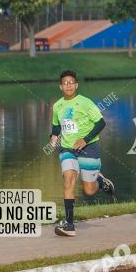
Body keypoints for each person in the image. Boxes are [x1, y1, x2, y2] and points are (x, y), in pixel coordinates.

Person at [49, 70, 115, 237]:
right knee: (69, 180)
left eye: (71, 82)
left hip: (88, 148)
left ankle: (99, 180)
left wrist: (85, 140)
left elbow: (101, 123)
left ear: (76, 85)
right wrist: (54, 136)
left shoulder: (86, 103)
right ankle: (70, 225)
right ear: (60, 86)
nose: (68, 85)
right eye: (65, 83)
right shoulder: (57, 106)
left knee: (89, 190)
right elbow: (57, 125)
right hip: (67, 149)